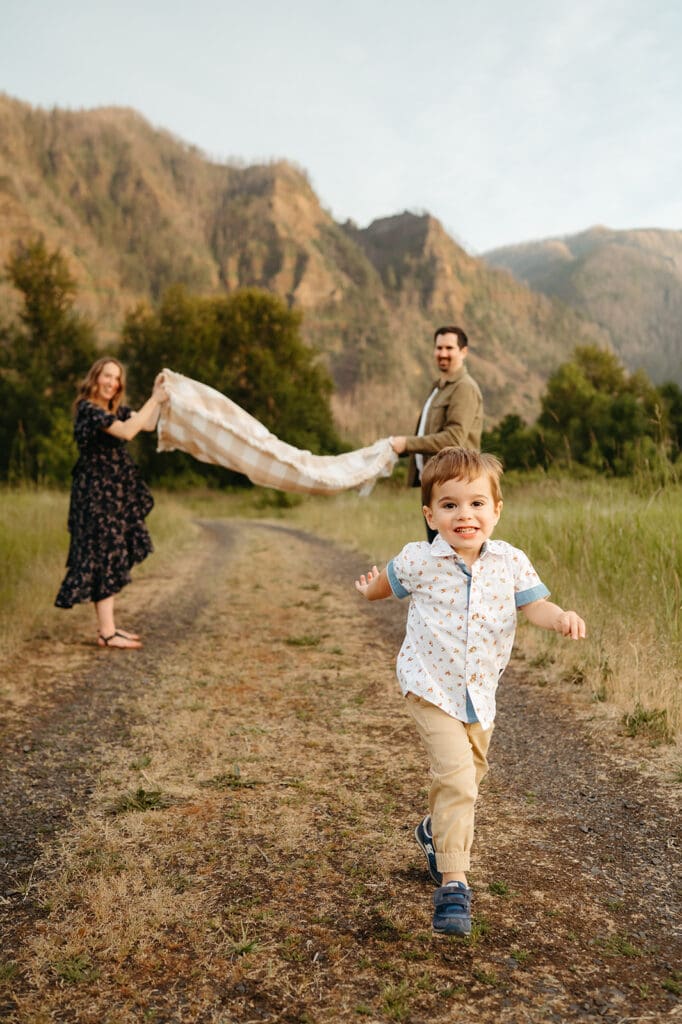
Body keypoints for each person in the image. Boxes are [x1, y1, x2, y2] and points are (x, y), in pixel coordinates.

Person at [354, 447, 586, 937]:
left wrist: (561, 618)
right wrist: (369, 587)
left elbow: (535, 606)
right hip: (428, 686)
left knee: (470, 779)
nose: (466, 515)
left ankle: (433, 833)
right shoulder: (419, 558)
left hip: (480, 694)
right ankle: (454, 885)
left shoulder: (510, 562)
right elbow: (387, 587)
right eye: (451, 505)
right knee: (457, 778)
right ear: (430, 514)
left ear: (496, 511)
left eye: (478, 504)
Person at [55, 357, 168, 649]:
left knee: (111, 553)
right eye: (107, 376)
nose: (112, 383)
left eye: (117, 378)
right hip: (96, 496)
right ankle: (107, 633)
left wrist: (157, 394)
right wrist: (154, 399)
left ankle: (110, 628)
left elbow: (147, 424)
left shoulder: (112, 410)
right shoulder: (88, 409)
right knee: (103, 554)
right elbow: (127, 432)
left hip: (113, 495)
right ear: (95, 377)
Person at [390, 326, 483, 542]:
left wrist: (407, 444)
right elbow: (429, 434)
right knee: (438, 553)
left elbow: (454, 439)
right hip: (437, 487)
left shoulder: (464, 388)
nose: (442, 353)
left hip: (458, 487)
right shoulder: (438, 388)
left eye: (449, 348)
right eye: (439, 347)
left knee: (454, 555)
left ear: (463, 352)